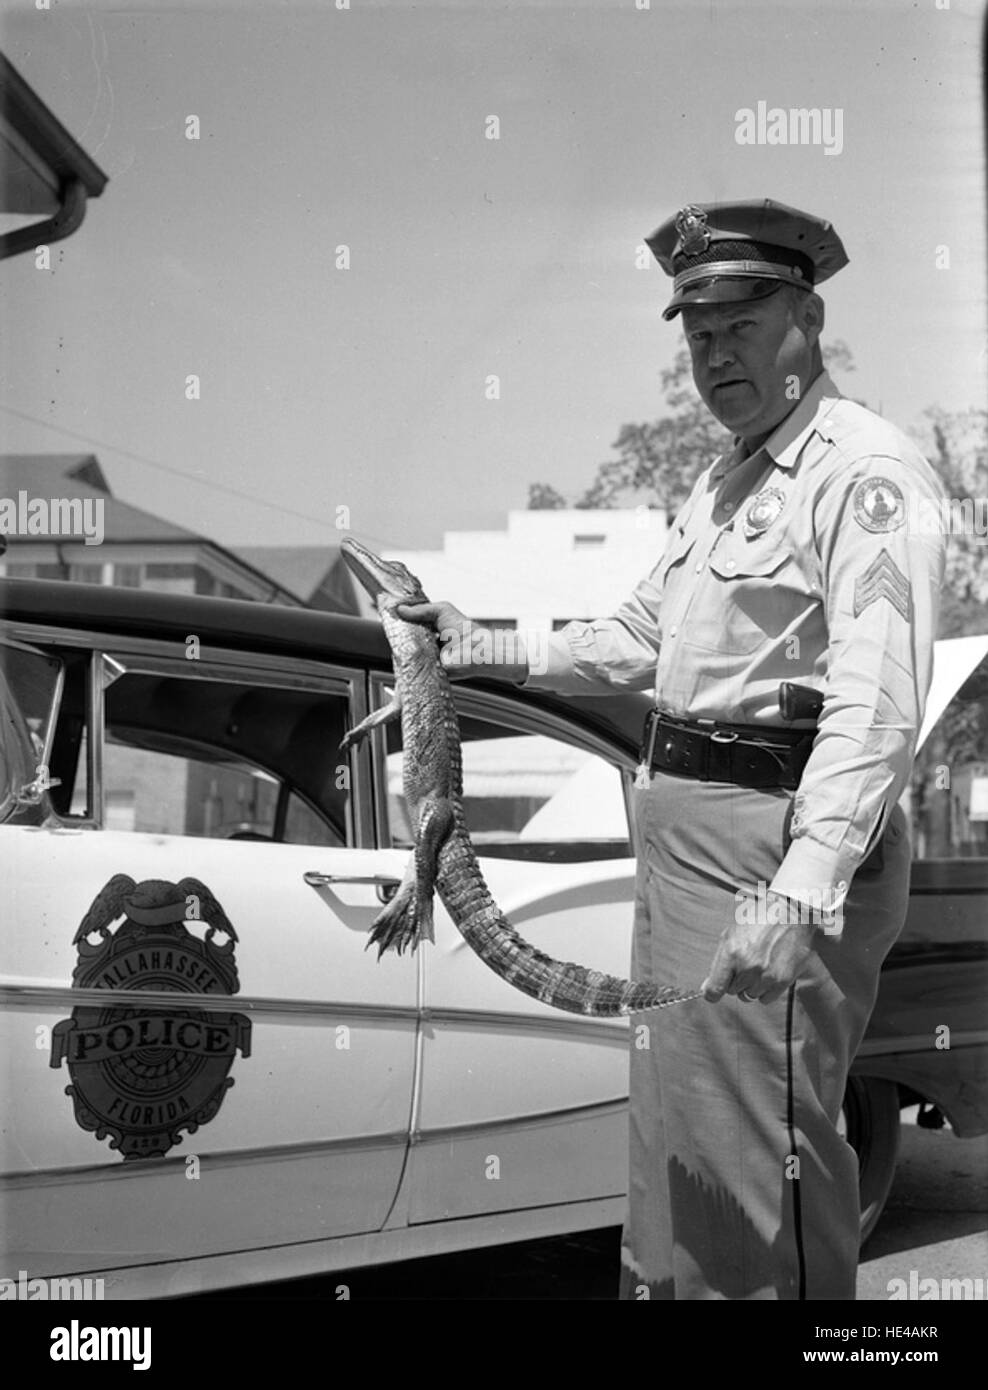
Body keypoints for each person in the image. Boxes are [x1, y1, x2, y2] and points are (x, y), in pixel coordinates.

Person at [397, 198, 947, 1300]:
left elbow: (876, 700)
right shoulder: (726, 482)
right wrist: (475, 642)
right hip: (689, 842)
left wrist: (798, 894)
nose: (713, 353)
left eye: (740, 322)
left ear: (809, 318)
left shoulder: (861, 473)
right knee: (678, 1161)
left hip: (769, 849)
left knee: (755, 1175)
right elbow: (636, 638)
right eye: (695, 332)